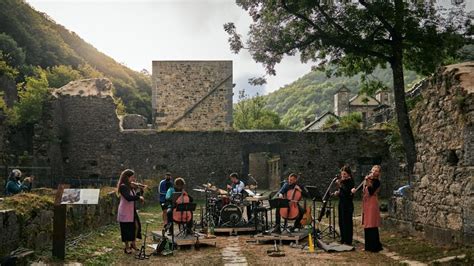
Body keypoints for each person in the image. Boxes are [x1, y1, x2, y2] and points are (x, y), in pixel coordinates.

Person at [351, 165, 383, 252]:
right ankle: (368, 246)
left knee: (372, 224)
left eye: (376, 171)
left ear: (379, 173)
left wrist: (368, 181)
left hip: (372, 203)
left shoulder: (377, 182)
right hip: (366, 203)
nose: (374, 172)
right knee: (367, 224)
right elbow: (362, 189)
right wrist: (354, 190)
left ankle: (375, 246)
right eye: (373, 170)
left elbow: (371, 191)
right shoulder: (368, 180)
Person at [117, 169, 144, 254]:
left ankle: (133, 243)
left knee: (137, 226)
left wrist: (140, 190)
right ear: (127, 177)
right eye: (132, 177)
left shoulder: (129, 186)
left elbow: (135, 196)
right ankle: (127, 247)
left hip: (131, 211)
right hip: (125, 211)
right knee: (126, 229)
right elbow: (128, 198)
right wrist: (138, 198)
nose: (134, 179)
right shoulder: (123, 186)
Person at [334, 165, 355, 245]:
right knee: (341, 221)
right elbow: (342, 193)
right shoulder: (343, 182)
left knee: (347, 222)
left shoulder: (350, 181)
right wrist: (338, 193)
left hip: (348, 204)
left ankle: (348, 240)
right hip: (341, 203)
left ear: (348, 174)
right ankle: (343, 238)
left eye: (344, 174)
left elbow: (347, 192)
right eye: (342, 174)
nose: (343, 176)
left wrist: (340, 185)